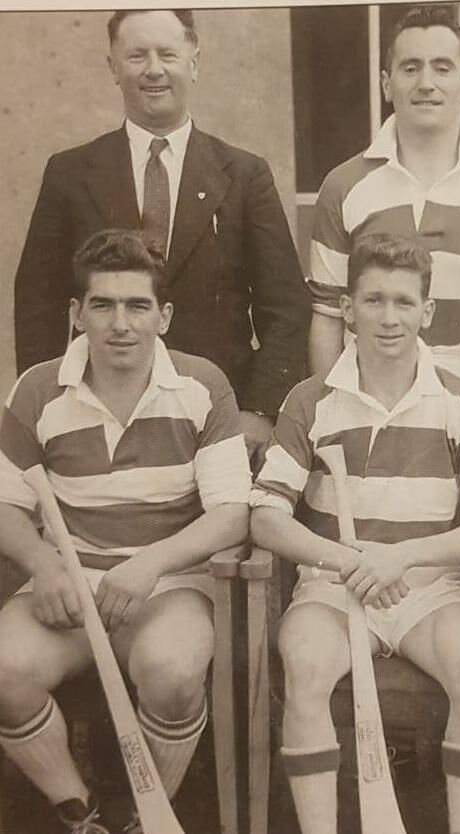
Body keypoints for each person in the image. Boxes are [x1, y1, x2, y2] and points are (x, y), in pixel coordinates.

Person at [251, 233, 460, 834]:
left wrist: (401, 558)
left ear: (427, 311)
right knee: (306, 660)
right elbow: (265, 517)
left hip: (431, 591)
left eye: (404, 302)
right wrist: (347, 561)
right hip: (331, 588)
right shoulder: (311, 400)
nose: (389, 317)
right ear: (347, 308)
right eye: (373, 300)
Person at [0, 229, 252, 834]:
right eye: (103, 305)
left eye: (138, 306)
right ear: (76, 313)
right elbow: (5, 505)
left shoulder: (202, 386)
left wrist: (151, 564)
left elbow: (232, 514)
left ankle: (147, 816)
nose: (121, 323)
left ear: (163, 316)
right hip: (68, 585)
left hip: (166, 585)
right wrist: (43, 564)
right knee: (3, 668)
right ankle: (78, 812)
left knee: (172, 669)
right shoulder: (37, 388)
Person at [14, 9, 309, 465]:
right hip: (98, 416)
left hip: (217, 418)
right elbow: (37, 302)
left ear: (193, 61)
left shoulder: (246, 175)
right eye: (136, 55)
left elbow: (286, 307)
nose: (153, 69)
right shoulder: (70, 173)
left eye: (167, 54)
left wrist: (259, 412)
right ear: (113, 66)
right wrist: (46, 409)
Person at [306, 5, 460, 448]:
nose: (426, 83)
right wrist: (330, 420)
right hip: (370, 405)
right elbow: (327, 318)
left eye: (443, 67)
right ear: (386, 82)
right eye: (410, 68)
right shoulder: (344, 187)